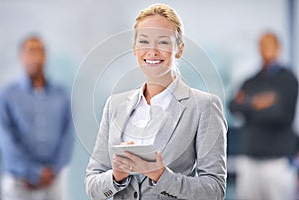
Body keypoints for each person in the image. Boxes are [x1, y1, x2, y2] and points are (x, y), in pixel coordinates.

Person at [85, 4, 227, 200]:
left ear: (179, 50)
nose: (152, 51)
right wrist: (116, 177)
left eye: (163, 42)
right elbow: (92, 186)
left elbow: (215, 189)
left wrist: (161, 176)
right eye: (144, 41)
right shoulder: (114, 105)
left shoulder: (204, 106)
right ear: (135, 49)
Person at [0, 35, 74, 200]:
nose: (35, 57)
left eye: (39, 51)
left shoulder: (61, 95)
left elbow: (67, 135)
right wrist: (33, 172)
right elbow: (6, 139)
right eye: (30, 51)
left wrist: (52, 170)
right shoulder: (7, 95)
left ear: (45, 56)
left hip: (53, 182)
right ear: (21, 56)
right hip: (18, 183)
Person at [229, 32, 299, 200]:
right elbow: (232, 106)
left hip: (277, 162)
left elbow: (281, 114)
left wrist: (248, 103)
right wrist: (260, 102)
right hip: (250, 160)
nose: (265, 49)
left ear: (278, 48)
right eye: (262, 45)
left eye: (269, 45)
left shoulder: (288, 80)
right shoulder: (251, 81)